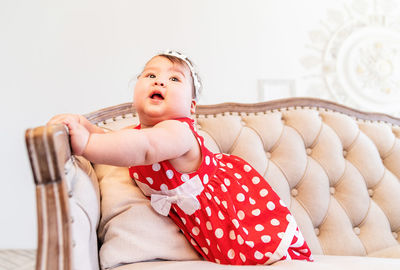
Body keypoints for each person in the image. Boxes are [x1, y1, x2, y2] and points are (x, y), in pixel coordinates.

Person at [48, 50, 313, 265]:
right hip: (209, 231)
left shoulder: (179, 132)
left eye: (174, 79)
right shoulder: (136, 133)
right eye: (150, 74)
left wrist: (87, 144)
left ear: (191, 107)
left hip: (237, 222)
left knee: (261, 256)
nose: (159, 81)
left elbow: (145, 148)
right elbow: (116, 139)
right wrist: (83, 125)